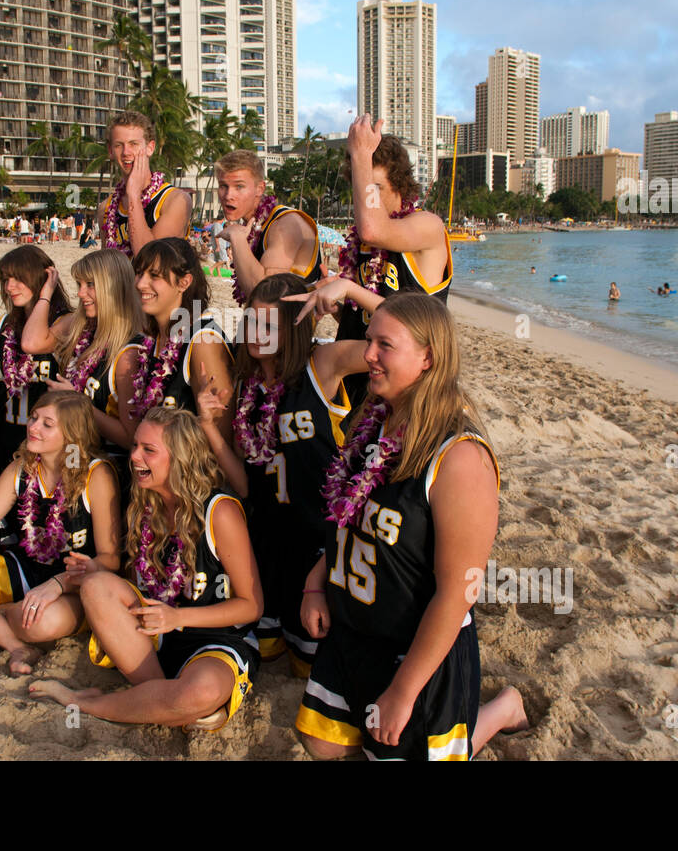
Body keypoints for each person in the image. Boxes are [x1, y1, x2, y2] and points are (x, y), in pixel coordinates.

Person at [294, 293, 527, 760]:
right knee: (319, 743)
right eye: (369, 341)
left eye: (385, 345)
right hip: (354, 632)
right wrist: (317, 582)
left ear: (428, 359)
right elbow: (347, 520)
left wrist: (403, 692)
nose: (368, 355)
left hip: (416, 649)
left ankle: (501, 710)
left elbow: (459, 590)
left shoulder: (459, 457)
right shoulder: (372, 421)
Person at [28, 406, 263, 730]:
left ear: (180, 457)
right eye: (136, 445)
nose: (135, 456)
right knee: (97, 586)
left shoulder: (219, 511)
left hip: (215, 639)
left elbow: (251, 607)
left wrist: (178, 617)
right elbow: (131, 581)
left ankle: (86, 702)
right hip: (155, 631)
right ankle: (164, 701)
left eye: (148, 450)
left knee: (201, 691)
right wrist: (93, 570)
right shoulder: (144, 504)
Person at [197, 273, 369, 677]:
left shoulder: (323, 364)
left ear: (295, 326)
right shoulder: (247, 386)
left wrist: (350, 291)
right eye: (251, 321)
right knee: (270, 651)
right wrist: (208, 425)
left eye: (269, 325)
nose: (256, 333)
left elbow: (411, 340)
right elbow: (245, 485)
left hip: (319, 545)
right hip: (268, 547)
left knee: (315, 664)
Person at [0, 391, 123, 674]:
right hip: (24, 568)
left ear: (72, 434)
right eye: (34, 418)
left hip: (72, 584)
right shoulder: (22, 467)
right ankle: (15, 645)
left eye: (46, 424)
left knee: (43, 624)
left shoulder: (95, 475)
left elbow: (110, 560)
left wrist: (58, 584)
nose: (33, 427)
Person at [333, 115, 453, 406]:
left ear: (399, 184)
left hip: (406, 391)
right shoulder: (361, 243)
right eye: (362, 187)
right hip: (360, 383)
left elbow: (409, 323)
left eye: (375, 188)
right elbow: (364, 318)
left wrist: (361, 153)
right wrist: (333, 303)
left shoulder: (427, 226)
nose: (366, 196)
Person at [22, 248, 145, 457]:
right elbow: (31, 343)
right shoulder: (82, 324)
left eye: (90, 284)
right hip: (71, 457)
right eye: (79, 284)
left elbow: (130, 438)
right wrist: (46, 295)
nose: (80, 293)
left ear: (113, 288)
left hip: (103, 466)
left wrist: (76, 401)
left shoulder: (129, 353)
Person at [123, 238, 234, 434]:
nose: (140, 284)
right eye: (139, 273)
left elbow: (222, 437)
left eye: (154, 275)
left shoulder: (203, 342)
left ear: (184, 282)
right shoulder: (152, 339)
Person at [0, 245, 72, 472]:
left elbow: (32, 343)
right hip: (4, 439)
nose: (9, 286)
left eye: (18, 278)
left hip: (46, 448)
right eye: (6, 279)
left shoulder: (65, 324)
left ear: (41, 278)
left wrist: (45, 295)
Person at [215, 150, 321, 304]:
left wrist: (237, 237)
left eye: (239, 186)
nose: (228, 195)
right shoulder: (256, 224)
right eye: (223, 186)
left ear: (260, 188)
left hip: (289, 326)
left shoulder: (285, 224)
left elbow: (265, 294)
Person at [101, 110, 191, 256]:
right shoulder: (106, 208)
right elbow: (107, 267)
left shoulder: (175, 200)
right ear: (110, 151)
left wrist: (133, 195)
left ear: (150, 147)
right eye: (119, 145)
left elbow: (150, 260)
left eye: (133, 144)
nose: (126, 152)